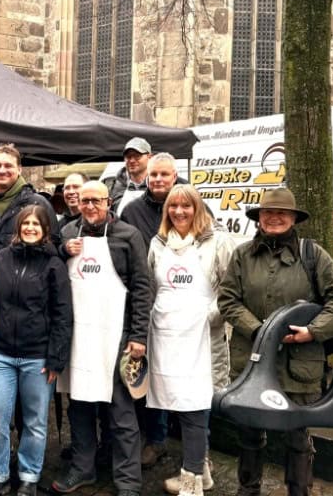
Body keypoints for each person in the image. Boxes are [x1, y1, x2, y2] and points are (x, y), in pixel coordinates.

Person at [219, 188, 333, 496]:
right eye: (268, 212)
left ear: (293, 218)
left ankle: (299, 491)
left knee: (297, 433)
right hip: (251, 363)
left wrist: (313, 331)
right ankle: (248, 489)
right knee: (250, 430)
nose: (274, 217)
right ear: (259, 218)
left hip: (298, 364)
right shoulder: (242, 255)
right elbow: (227, 300)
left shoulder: (313, 256)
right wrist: (259, 332)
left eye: (282, 213)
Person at [52, 181, 152, 496]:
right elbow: (54, 272)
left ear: (108, 201)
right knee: (79, 407)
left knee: (121, 412)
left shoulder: (128, 235)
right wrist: (60, 249)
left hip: (116, 336)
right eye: (85, 201)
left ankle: (128, 482)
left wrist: (138, 335)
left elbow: (141, 288)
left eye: (96, 200)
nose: (91, 206)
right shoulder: (68, 233)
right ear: (77, 203)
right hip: (78, 338)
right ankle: (83, 469)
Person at [146, 185, 235, 496]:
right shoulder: (158, 245)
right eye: (173, 206)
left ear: (197, 209)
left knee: (196, 407)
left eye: (186, 206)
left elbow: (231, 290)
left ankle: (191, 481)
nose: (179, 212)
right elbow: (151, 289)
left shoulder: (218, 242)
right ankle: (202, 471)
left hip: (202, 339)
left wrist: (208, 316)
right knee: (179, 406)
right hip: (167, 339)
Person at [0, 206, 73, 496]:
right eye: (25, 223)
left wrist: (57, 358)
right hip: (1, 354)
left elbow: (63, 314)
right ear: (18, 227)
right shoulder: (1, 259)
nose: (30, 227)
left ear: (46, 230)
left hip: (38, 356)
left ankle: (29, 477)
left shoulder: (54, 265)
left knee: (35, 420)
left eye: (36, 223)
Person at [120, 151, 187, 467]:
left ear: (175, 175)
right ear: (147, 175)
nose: (158, 179)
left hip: (182, 306)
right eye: (154, 174)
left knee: (186, 378)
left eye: (165, 174)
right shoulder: (132, 211)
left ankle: (196, 451)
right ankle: (156, 439)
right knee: (149, 375)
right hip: (144, 304)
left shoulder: (190, 203)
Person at [0, 143, 59, 265]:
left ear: (19, 169)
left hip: (23, 282)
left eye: (8, 166)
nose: (2, 170)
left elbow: (53, 247)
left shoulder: (39, 204)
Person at [110, 137, 152, 215]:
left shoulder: (158, 184)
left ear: (149, 157)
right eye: (128, 157)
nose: (132, 160)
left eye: (137, 156)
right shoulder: (117, 185)